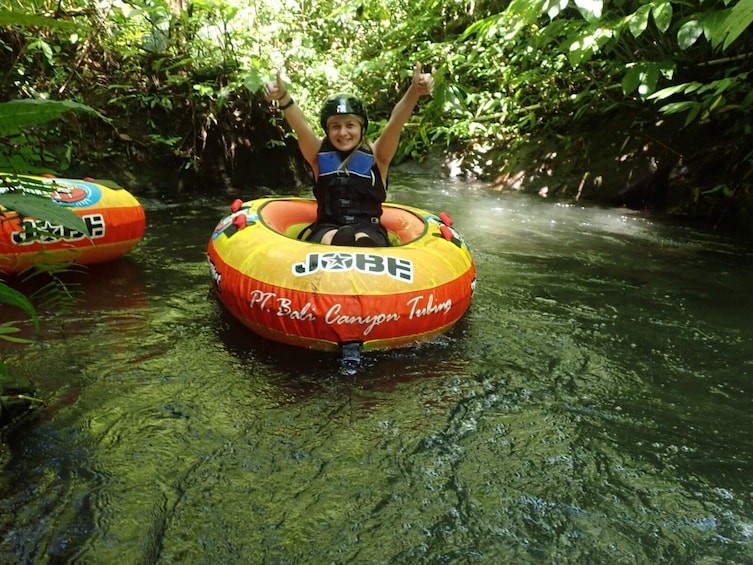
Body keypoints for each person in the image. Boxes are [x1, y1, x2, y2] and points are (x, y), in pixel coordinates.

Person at [264, 62, 434, 246]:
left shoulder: (379, 156)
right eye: (335, 126)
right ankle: (340, 241)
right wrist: (282, 97)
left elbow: (395, 122)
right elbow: (301, 126)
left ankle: (362, 245)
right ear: (327, 130)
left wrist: (414, 92)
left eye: (350, 125)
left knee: (364, 238)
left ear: (362, 129)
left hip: (369, 228)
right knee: (328, 236)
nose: (343, 133)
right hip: (327, 227)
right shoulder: (317, 155)